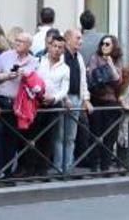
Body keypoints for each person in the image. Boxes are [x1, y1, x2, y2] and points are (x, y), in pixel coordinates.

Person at [0, 32, 38, 176]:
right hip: (2, 101)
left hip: (19, 104)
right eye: (16, 40)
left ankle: (8, 171)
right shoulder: (5, 56)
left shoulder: (34, 61)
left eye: (21, 41)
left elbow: (36, 83)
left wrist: (26, 75)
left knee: (12, 138)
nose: (17, 43)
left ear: (29, 45)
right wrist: (6, 76)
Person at [55, 29, 92, 174]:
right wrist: (63, 98)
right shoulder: (61, 56)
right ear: (68, 39)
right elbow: (57, 79)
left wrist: (86, 99)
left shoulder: (79, 57)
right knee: (60, 135)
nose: (80, 41)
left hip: (76, 98)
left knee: (71, 136)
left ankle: (68, 167)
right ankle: (59, 167)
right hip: (64, 98)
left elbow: (83, 80)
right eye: (77, 38)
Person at [86, 34, 122, 172]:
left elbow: (117, 81)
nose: (104, 46)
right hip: (96, 100)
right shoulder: (95, 57)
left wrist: (110, 65)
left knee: (110, 135)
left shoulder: (116, 60)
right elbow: (93, 77)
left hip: (111, 102)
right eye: (102, 44)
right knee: (95, 134)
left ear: (113, 46)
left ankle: (105, 165)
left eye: (107, 44)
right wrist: (106, 77)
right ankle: (94, 165)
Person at [36, 35, 70, 176]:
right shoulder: (39, 61)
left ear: (63, 50)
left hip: (52, 106)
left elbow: (64, 89)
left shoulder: (65, 68)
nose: (56, 50)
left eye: (60, 47)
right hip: (36, 104)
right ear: (49, 46)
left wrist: (54, 98)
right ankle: (31, 168)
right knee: (34, 135)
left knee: (48, 138)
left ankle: (43, 169)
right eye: (54, 46)